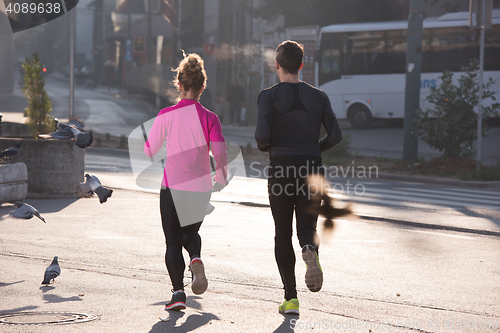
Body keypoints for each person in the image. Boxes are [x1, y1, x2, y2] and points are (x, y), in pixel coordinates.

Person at [255, 40, 342, 315]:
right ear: (302, 65)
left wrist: (270, 146)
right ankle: (309, 248)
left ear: (277, 65)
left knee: (282, 233)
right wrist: (315, 148)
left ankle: (291, 299)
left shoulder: (268, 96)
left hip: (281, 168)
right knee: (307, 228)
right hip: (312, 168)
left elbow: (260, 138)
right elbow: (336, 135)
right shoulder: (319, 96)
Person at [144, 53, 228, 311]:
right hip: (200, 188)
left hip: (172, 186)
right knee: (189, 234)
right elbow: (221, 151)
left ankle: (179, 294)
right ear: (203, 87)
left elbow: (150, 150)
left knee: (172, 241)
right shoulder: (210, 118)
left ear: (179, 85)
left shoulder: (166, 114)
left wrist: (153, 139)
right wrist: (220, 177)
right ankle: (195, 257)